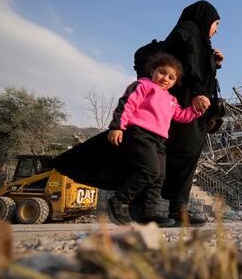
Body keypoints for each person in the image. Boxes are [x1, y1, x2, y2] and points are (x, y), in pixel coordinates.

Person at [52, 53, 204, 227]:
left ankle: (148, 213)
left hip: (159, 141)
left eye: (171, 77)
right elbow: (127, 104)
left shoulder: (171, 100)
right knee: (150, 170)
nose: (165, 78)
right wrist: (117, 127)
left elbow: (181, 116)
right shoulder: (143, 86)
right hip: (139, 134)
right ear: (153, 70)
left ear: (175, 81)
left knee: (159, 177)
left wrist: (196, 110)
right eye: (162, 72)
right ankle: (119, 201)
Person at [132, 0, 223, 226]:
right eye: (216, 23)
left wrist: (215, 62)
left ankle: (178, 211)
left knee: (188, 156)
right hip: (180, 106)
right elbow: (186, 68)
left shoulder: (199, 41)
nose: (217, 29)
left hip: (194, 111)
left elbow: (199, 69)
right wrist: (197, 92)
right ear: (204, 18)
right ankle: (143, 208)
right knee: (171, 155)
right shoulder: (186, 32)